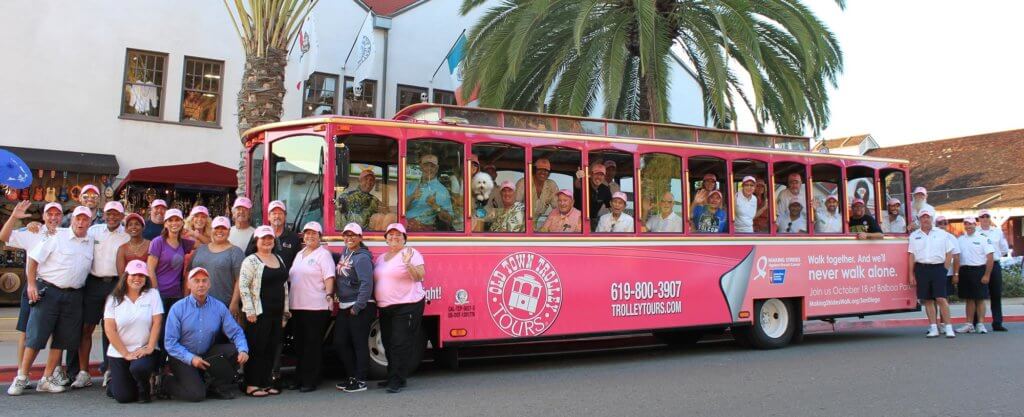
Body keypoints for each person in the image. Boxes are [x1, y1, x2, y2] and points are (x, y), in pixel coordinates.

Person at [13, 206, 95, 395]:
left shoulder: (90, 241)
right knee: (35, 336)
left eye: (85, 220)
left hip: (74, 295)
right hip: (49, 291)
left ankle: (47, 378)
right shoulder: (57, 235)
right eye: (78, 219)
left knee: (61, 338)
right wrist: (31, 285)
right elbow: (33, 259)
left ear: (90, 222)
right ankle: (22, 377)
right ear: (72, 219)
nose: (81, 223)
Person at [3, 201, 66, 395]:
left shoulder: (66, 234)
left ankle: (53, 372)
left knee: (58, 331)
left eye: (57, 214)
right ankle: (23, 374)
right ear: (44, 216)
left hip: (56, 286)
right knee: (26, 331)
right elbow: (3, 237)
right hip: (34, 284)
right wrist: (14, 217)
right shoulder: (33, 231)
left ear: (62, 217)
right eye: (50, 214)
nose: (54, 218)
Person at [68, 201, 130, 389]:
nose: (112, 217)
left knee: (111, 328)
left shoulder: (126, 235)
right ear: (104, 215)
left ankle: (110, 370)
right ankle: (83, 372)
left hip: (115, 284)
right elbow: (73, 236)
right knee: (86, 328)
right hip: (93, 282)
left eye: (116, 214)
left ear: (121, 216)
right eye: (109, 214)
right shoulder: (94, 230)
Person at [163, 268, 249, 402]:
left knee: (235, 350)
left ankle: (216, 386)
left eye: (204, 281)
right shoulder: (178, 308)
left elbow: (236, 332)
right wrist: (191, 359)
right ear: (188, 285)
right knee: (196, 395)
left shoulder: (218, 307)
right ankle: (166, 383)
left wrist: (243, 349)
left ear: (209, 284)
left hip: (206, 352)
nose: (201, 284)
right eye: (196, 281)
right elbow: (170, 343)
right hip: (181, 356)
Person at [375, 223, 426, 393]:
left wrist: (408, 264)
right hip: (385, 306)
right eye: (390, 235)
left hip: (407, 305)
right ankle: (393, 376)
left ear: (404, 239)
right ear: (386, 238)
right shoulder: (381, 258)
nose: (394, 238)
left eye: (398, 235)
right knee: (389, 343)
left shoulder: (411, 254)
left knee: (399, 343)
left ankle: (397, 380)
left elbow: (420, 276)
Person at [239, 225, 289, 397]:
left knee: (271, 348)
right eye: (263, 239)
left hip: (276, 313)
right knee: (257, 348)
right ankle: (252, 384)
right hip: (259, 313)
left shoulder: (279, 259)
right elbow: (243, 286)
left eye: (270, 238)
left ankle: (266, 382)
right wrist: (249, 310)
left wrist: (285, 312)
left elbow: (285, 287)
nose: (267, 241)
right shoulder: (251, 260)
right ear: (256, 241)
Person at [103, 260, 163, 403]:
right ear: (126, 276)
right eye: (133, 275)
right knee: (124, 397)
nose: (137, 279)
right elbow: (110, 329)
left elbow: (157, 322)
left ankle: (144, 388)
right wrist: (125, 353)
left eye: (141, 276)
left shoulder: (153, 294)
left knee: (139, 368)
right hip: (119, 352)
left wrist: (149, 347)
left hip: (143, 350)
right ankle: (115, 383)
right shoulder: (113, 299)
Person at [288, 222, 335, 392]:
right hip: (297, 306)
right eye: (307, 233)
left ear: (320, 236)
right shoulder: (300, 254)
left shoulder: (324, 255)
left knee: (312, 346)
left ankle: (311, 380)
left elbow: (329, 277)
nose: (309, 236)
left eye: (314, 234)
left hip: (316, 307)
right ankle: (299, 378)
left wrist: (329, 295)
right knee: (299, 345)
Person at [147, 208, 194, 369]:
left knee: (172, 334)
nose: (174, 223)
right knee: (158, 334)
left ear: (182, 222)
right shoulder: (157, 242)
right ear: (165, 223)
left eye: (177, 220)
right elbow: (150, 269)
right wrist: (154, 293)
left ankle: (167, 369)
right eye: (171, 220)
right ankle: (156, 370)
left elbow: (206, 243)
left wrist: (192, 231)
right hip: (159, 295)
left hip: (176, 295)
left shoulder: (183, 243)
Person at [334, 223, 375, 393]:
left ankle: (361, 380)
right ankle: (352, 376)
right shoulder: (346, 253)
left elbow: (367, 283)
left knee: (359, 344)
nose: (349, 238)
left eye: (353, 235)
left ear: (360, 238)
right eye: (346, 235)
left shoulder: (362, 257)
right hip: (345, 305)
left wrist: (358, 306)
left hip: (360, 307)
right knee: (340, 342)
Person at [907, 208, 956, 338]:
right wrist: (911, 274)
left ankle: (948, 327)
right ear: (919, 219)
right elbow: (911, 256)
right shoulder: (914, 236)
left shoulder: (942, 234)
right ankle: (933, 327)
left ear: (932, 218)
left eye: (928, 217)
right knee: (927, 300)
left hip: (938, 268)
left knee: (941, 298)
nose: (925, 219)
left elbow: (949, 252)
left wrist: (944, 269)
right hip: (921, 269)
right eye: (923, 217)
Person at [188, 216, 244, 309]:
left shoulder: (236, 252)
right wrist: (186, 297)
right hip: (196, 304)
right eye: (217, 228)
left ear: (229, 231)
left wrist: (234, 303)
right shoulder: (200, 249)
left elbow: (240, 279)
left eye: (224, 228)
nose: (220, 231)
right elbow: (188, 273)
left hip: (223, 305)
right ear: (211, 230)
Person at [954, 216, 995, 335]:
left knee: (980, 299)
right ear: (964, 225)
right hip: (965, 271)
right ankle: (969, 324)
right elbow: (956, 257)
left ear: (975, 225)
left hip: (979, 270)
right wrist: (956, 274)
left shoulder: (983, 239)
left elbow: (990, 258)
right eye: (966, 224)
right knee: (969, 299)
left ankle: (981, 324)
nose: (969, 226)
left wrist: (987, 275)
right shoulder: (960, 240)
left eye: (971, 224)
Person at [977, 209, 1011, 331]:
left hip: (995, 265)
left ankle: (997, 322)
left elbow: (1004, 249)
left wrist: (994, 256)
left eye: (987, 216)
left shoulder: (997, 232)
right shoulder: (976, 232)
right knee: (979, 295)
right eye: (982, 216)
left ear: (990, 218)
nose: (985, 218)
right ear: (979, 219)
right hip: (980, 266)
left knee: (996, 294)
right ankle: (977, 322)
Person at [245, 200, 301, 269]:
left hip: (284, 278)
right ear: (268, 216)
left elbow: (298, 263)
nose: (277, 216)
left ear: (285, 216)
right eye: (274, 213)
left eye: (280, 213)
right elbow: (249, 257)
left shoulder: (293, 238)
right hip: (262, 278)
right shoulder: (258, 234)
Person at [405, 154, 455, 231]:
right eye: (426, 165)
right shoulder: (411, 185)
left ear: (437, 168)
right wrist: (412, 197)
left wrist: (435, 206)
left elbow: (449, 219)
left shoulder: (442, 191)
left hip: (423, 231)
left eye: (432, 166)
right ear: (420, 167)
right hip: (403, 227)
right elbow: (400, 209)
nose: (429, 169)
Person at [934, 215, 961, 321]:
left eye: (945, 223)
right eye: (940, 223)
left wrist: (956, 274)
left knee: (944, 299)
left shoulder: (951, 238)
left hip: (947, 273)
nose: (942, 225)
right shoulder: (931, 237)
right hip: (933, 272)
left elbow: (957, 257)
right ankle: (935, 324)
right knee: (933, 300)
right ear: (936, 225)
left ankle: (944, 322)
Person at [574, 161, 611, 230]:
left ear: (604, 177)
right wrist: (579, 178)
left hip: (593, 220)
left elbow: (611, 207)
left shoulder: (605, 189)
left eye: (601, 175)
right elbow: (577, 185)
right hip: (576, 218)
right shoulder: (583, 183)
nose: (598, 177)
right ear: (591, 174)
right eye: (596, 174)